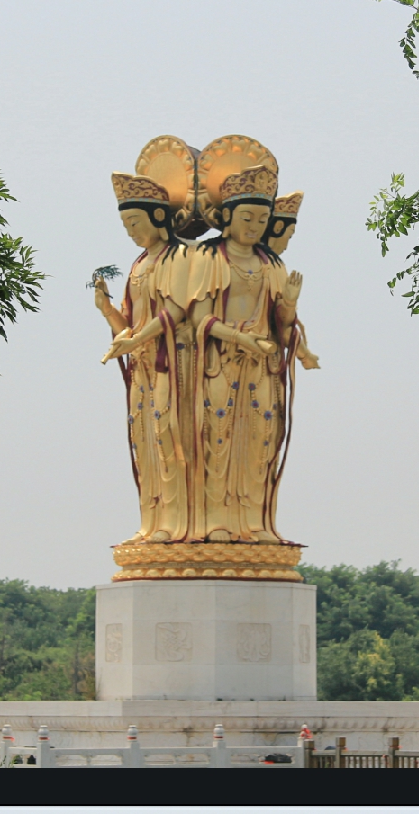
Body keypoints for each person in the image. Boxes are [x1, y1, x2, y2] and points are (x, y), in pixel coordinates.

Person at [94, 173, 222, 543]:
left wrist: (135, 340)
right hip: (143, 367)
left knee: (172, 434)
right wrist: (106, 310)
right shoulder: (138, 264)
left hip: (175, 360)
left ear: (158, 218)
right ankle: (154, 521)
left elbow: (176, 312)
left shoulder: (180, 256)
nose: (132, 232)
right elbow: (128, 323)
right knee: (146, 441)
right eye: (126, 225)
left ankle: (182, 522)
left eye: (136, 223)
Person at [185, 168, 299, 543]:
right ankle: (216, 519)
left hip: (263, 368)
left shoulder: (273, 264)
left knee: (260, 441)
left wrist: (291, 305)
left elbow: (282, 326)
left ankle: (254, 521)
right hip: (221, 365)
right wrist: (243, 340)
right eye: (247, 217)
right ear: (227, 217)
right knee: (219, 439)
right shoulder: (208, 257)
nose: (254, 226)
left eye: (263, 219)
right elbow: (200, 319)